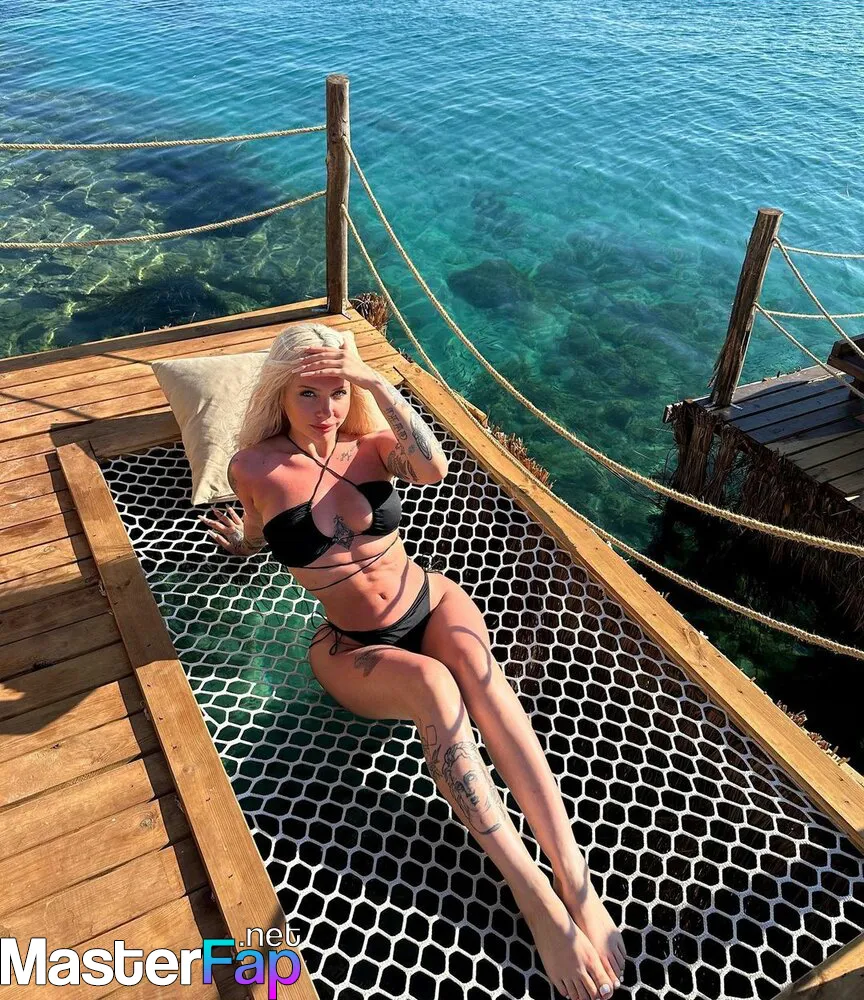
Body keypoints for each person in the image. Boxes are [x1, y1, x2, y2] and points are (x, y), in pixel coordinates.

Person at [200, 322, 627, 1000]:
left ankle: (575, 883)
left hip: (431, 600)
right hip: (353, 647)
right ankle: (536, 898)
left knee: (487, 691)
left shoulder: (373, 446)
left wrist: (372, 379)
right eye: (308, 393)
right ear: (280, 392)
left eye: (338, 391)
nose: (325, 408)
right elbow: (258, 528)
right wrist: (243, 545)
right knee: (434, 686)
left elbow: (433, 469)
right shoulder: (253, 465)